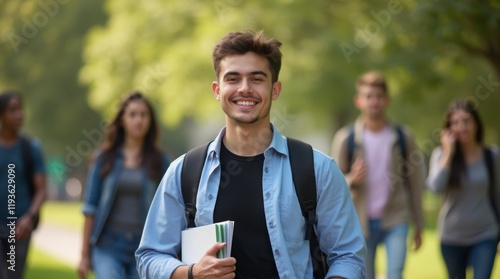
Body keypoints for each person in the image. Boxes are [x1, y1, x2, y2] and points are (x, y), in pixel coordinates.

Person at [135, 30, 366, 279]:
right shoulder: (185, 172)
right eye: (233, 79)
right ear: (217, 89)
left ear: (275, 89)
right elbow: (150, 256)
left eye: (257, 79)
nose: (244, 89)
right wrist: (192, 273)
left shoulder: (317, 168)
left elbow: (348, 256)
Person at [330, 71, 425, 279]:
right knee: (366, 276)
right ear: (358, 101)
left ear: (387, 100)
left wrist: (419, 222)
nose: (374, 101)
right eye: (368, 96)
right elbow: (332, 186)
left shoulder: (403, 136)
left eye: (379, 96)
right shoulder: (346, 138)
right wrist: (351, 179)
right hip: (360, 222)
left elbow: (415, 182)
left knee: (395, 274)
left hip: (396, 217)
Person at [78, 91, 171, 279]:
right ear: (122, 120)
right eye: (132, 114)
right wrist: (84, 255)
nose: (139, 120)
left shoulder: (160, 161)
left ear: (150, 120)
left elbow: (170, 208)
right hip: (108, 245)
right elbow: (90, 207)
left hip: (144, 247)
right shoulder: (103, 159)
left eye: (144, 115)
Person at [426, 99, 499, 279]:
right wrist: (449, 154)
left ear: (476, 124)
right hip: (452, 237)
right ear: (449, 128)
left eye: (466, 121)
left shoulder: (492, 156)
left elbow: (498, 195)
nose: (462, 127)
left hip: (485, 233)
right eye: (456, 123)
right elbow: (435, 188)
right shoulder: (440, 155)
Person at [0, 90, 47, 279]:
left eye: (20, 109)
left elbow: (41, 190)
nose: (19, 114)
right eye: (13, 110)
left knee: (13, 275)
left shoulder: (31, 148)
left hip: (20, 228)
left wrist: (29, 216)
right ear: (1, 115)